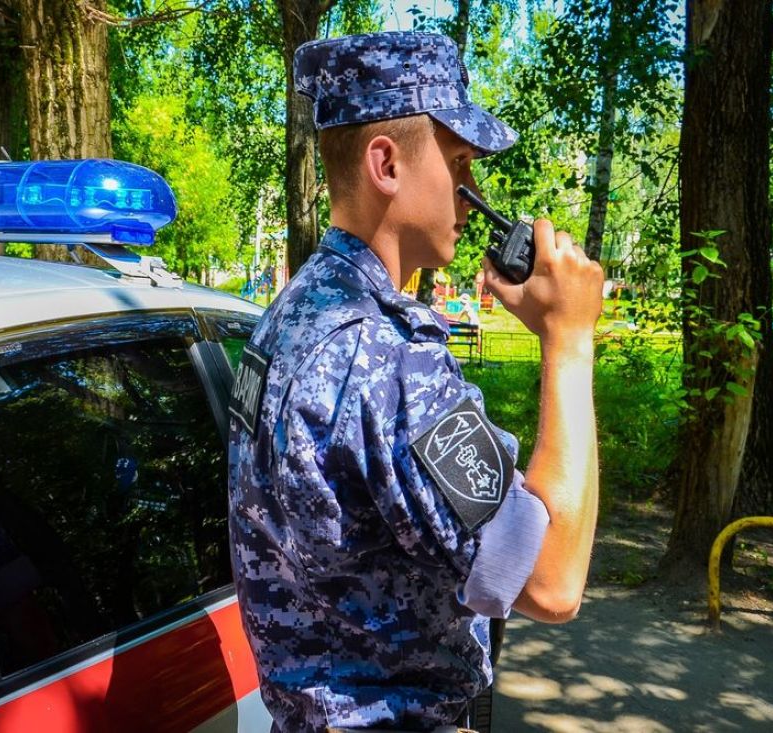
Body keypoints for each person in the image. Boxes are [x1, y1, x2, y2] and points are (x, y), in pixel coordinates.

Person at [228, 31, 603, 733]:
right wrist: (570, 341)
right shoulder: (392, 359)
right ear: (386, 164)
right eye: (460, 164)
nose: (473, 194)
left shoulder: (283, 319)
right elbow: (551, 579)